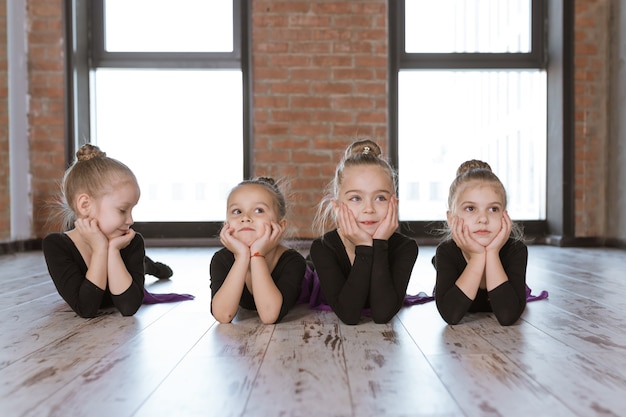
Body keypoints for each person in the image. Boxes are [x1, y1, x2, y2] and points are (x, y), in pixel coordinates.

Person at [43, 144, 192, 318]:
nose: (131, 220)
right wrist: (100, 250)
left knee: (142, 265)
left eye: (132, 210)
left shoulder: (131, 242)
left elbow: (129, 307)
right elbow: (86, 308)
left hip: (132, 260)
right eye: (122, 210)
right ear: (85, 205)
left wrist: (113, 250)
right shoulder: (56, 246)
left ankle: (151, 267)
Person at [309, 139, 419, 325]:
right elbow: (349, 315)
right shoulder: (322, 247)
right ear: (336, 207)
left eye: (380, 198)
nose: (369, 208)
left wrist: (379, 244)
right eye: (356, 198)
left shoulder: (406, 248)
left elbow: (382, 314)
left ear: (394, 204)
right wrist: (364, 247)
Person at [433, 159, 531, 326]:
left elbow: (507, 316)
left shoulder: (516, 250)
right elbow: (451, 315)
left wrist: (492, 253)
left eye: (493, 209)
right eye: (470, 208)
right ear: (451, 218)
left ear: (504, 216)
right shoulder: (446, 251)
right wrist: (478, 256)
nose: (483, 219)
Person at [210, 177, 306, 324]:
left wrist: (257, 255)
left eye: (258, 210)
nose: (246, 217)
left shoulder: (293, 261)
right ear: (226, 224)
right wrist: (242, 256)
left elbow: (269, 316)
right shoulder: (220, 260)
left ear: (280, 225)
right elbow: (223, 315)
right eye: (237, 211)